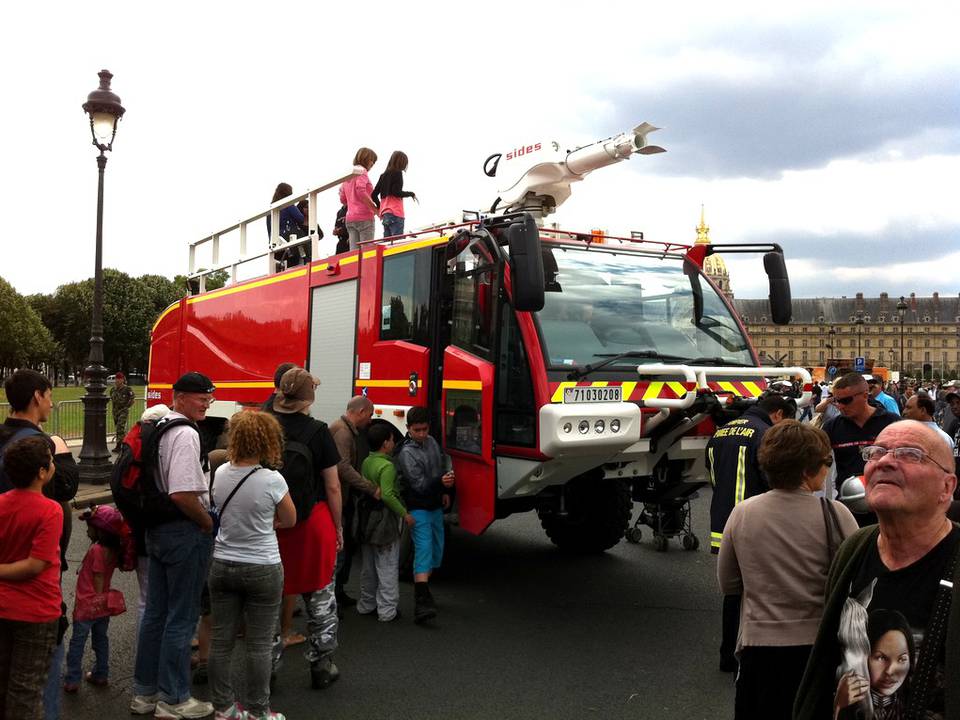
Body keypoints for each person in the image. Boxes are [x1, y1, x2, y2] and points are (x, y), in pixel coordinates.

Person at [794, 420, 959, 720]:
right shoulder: (855, 548)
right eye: (876, 452)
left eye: (910, 454)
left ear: (946, 487)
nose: (884, 462)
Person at [717, 420, 858, 719]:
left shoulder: (743, 512)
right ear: (808, 470)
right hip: (819, 645)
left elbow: (728, 583)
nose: (828, 468)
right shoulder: (835, 513)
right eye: (826, 462)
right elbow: (856, 579)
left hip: (760, 645)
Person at [131, 372, 217, 720]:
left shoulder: (159, 425)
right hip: (182, 532)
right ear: (179, 396)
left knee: (155, 614)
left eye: (209, 397)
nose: (207, 403)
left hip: (156, 529)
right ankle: (174, 698)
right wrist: (206, 522)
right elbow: (182, 492)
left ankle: (145, 693)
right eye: (201, 397)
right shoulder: (184, 433)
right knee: (181, 618)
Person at [0, 369, 79, 720]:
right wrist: (60, 452)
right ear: (36, 397)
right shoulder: (40, 448)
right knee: (32, 680)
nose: (50, 402)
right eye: (49, 395)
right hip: (37, 588)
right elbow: (66, 488)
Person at [207, 410, 295, 720]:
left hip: (222, 562)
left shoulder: (220, 473)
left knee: (221, 640)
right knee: (258, 644)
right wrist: (266, 522)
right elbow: (290, 518)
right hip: (261, 564)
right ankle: (259, 712)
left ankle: (223, 707)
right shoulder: (272, 479)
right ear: (268, 440)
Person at [704, 392, 795, 672]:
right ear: (778, 413)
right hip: (755, 523)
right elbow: (771, 480)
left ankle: (727, 654)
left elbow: (711, 474)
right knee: (757, 590)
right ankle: (751, 651)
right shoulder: (764, 434)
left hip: (723, 522)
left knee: (733, 591)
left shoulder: (720, 432)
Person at [266, 367, 344, 690]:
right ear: (308, 399)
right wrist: (338, 527)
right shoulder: (318, 431)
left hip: (270, 525)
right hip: (311, 523)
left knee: (268, 602)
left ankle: (267, 669)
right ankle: (321, 666)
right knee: (320, 598)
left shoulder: (263, 425)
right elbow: (333, 486)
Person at [0, 436, 62, 720]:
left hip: (3, 607)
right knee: (26, 693)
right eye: (50, 461)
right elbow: (36, 565)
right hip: (36, 611)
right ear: (41, 472)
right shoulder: (50, 510)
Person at [64, 506, 133, 693]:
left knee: (77, 642)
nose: (87, 531)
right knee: (101, 639)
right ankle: (101, 674)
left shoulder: (96, 550)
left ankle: (72, 679)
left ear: (100, 531)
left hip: (88, 604)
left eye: (90, 527)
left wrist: (95, 597)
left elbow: (98, 577)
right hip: (104, 605)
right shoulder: (114, 550)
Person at [396, 406, 455, 624]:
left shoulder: (431, 443)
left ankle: (424, 591)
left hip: (435, 505)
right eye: (417, 430)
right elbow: (418, 485)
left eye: (424, 429)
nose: (421, 434)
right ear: (408, 428)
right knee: (423, 549)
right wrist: (441, 484)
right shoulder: (406, 452)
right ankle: (421, 601)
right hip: (418, 506)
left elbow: (441, 465)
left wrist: (445, 491)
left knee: (436, 549)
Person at [821, 373, 900, 520]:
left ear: (865, 395)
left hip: (887, 506)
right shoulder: (832, 426)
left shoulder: (892, 423)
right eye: (837, 401)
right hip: (849, 506)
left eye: (846, 400)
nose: (840, 406)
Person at [328, 396, 382, 607]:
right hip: (339, 498)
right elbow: (343, 468)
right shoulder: (343, 432)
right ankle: (332, 600)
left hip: (344, 496)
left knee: (346, 547)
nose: (370, 421)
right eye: (369, 415)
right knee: (340, 549)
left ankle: (338, 592)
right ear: (360, 412)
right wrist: (370, 487)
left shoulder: (344, 429)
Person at [357, 423, 413, 622]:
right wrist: (404, 514)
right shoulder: (387, 466)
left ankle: (366, 604)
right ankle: (387, 611)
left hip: (366, 516)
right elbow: (388, 495)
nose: (394, 442)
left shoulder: (366, 462)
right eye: (391, 439)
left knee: (368, 564)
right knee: (387, 564)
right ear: (385, 444)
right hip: (384, 519)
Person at [832, 608, 915, 720]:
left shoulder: (915, 701)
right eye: (881, 658)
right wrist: (838, 706)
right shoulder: (841, 697)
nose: (890, 671)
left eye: (901, 659)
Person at [338, 147, 378, 250]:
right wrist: (375, 209)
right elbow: (361, 190)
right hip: (365, 216)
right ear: (367, 159)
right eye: (372, 161)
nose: (373, 164)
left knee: (354, 253)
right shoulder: (362, 171)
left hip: (350, 218)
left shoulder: (349, 174)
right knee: (366, 251)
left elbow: (342, 199)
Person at [372, 150, 417, 238]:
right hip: (396, 213)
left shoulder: (383, 176)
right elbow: (396, 192)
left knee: (388, 244)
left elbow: (373, 195)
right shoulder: (398, 173)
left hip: (385, 214)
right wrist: (411, 194)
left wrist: (380, 206)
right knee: (397, 242)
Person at [266, 183, 306, 270]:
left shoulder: (270, 211)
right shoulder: (287, 204)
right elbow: (300, 218)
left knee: (281, 269)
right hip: (290, 244)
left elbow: (269, 230)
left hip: (276, 246)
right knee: (297, 267)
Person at [110, 372, 136, 453]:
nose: (117, 381)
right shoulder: (113, 389)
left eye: (119, 379)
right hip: (115, 411)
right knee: (118, 429)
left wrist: (126, 407)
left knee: (120, 428)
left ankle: (121, 446)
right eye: (116, 379)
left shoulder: (127, 389)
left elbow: (132, 399)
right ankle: (122, 444)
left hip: (123, 411)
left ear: (122, 380)